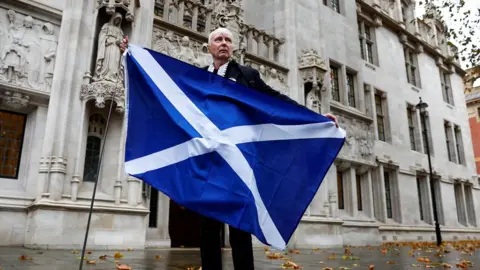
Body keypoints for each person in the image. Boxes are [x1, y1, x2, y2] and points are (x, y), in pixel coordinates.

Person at [120, 28, 339, 270]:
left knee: (239, 232)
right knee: (208, 230)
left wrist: (315, 117)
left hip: (237, 167)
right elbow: (163, 84)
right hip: (208, 168)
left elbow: (276, 101)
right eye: (218, 39)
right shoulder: (197, 78)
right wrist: (132, 55)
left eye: (227, 40)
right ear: (209, 46)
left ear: (233, 47)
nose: (223, 43)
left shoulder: (247, 75)